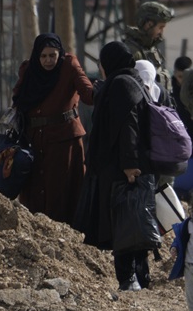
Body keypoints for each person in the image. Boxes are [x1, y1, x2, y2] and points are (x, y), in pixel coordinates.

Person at [77, 40, 154, 291]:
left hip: (123, 168)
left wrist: (129, 165)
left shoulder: (121, 84)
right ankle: (139, 276)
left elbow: (128, 126)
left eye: (101, 64)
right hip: (125, 164)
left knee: (124, 222)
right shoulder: (130, 81)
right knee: (133, 220)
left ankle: (128, 278)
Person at [10, 33, 96, 223]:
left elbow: (88, 94)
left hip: (64, 140)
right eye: (43, 56)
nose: (48, 60)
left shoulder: (69, 66)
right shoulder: (28, 69)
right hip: (33, 140)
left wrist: (105, 88)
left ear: (60, 55)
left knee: (62, 191)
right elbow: (18, 99)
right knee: (34, 193)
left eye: (52, 55)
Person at [122, 0, 174, 102]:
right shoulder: (131, 52)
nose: (162, 32)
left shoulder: (151, 49)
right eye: (160, 27)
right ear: (148, 25)